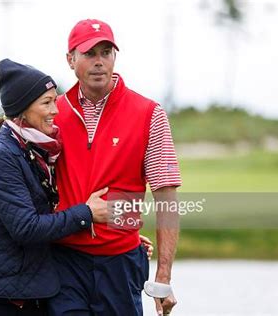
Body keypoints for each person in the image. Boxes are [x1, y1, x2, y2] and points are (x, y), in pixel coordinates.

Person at [0, 58, 114, 316]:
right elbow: (27, 227)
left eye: (54, 100)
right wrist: (87, 213)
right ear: (22, 110)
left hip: (21, 295)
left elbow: (54, 215)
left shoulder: (36, 151)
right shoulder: (3, 156)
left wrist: (119, 240)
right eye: (46, 102)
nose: (55, 110)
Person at [48, 19, 182, 316]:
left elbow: (166, 197)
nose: (99, 62)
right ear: (70, 60)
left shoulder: (149, 114)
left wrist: (163, 275)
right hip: (64, 261)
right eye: (89, 53)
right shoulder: (52, 114)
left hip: (120, 263)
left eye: (105, 52)